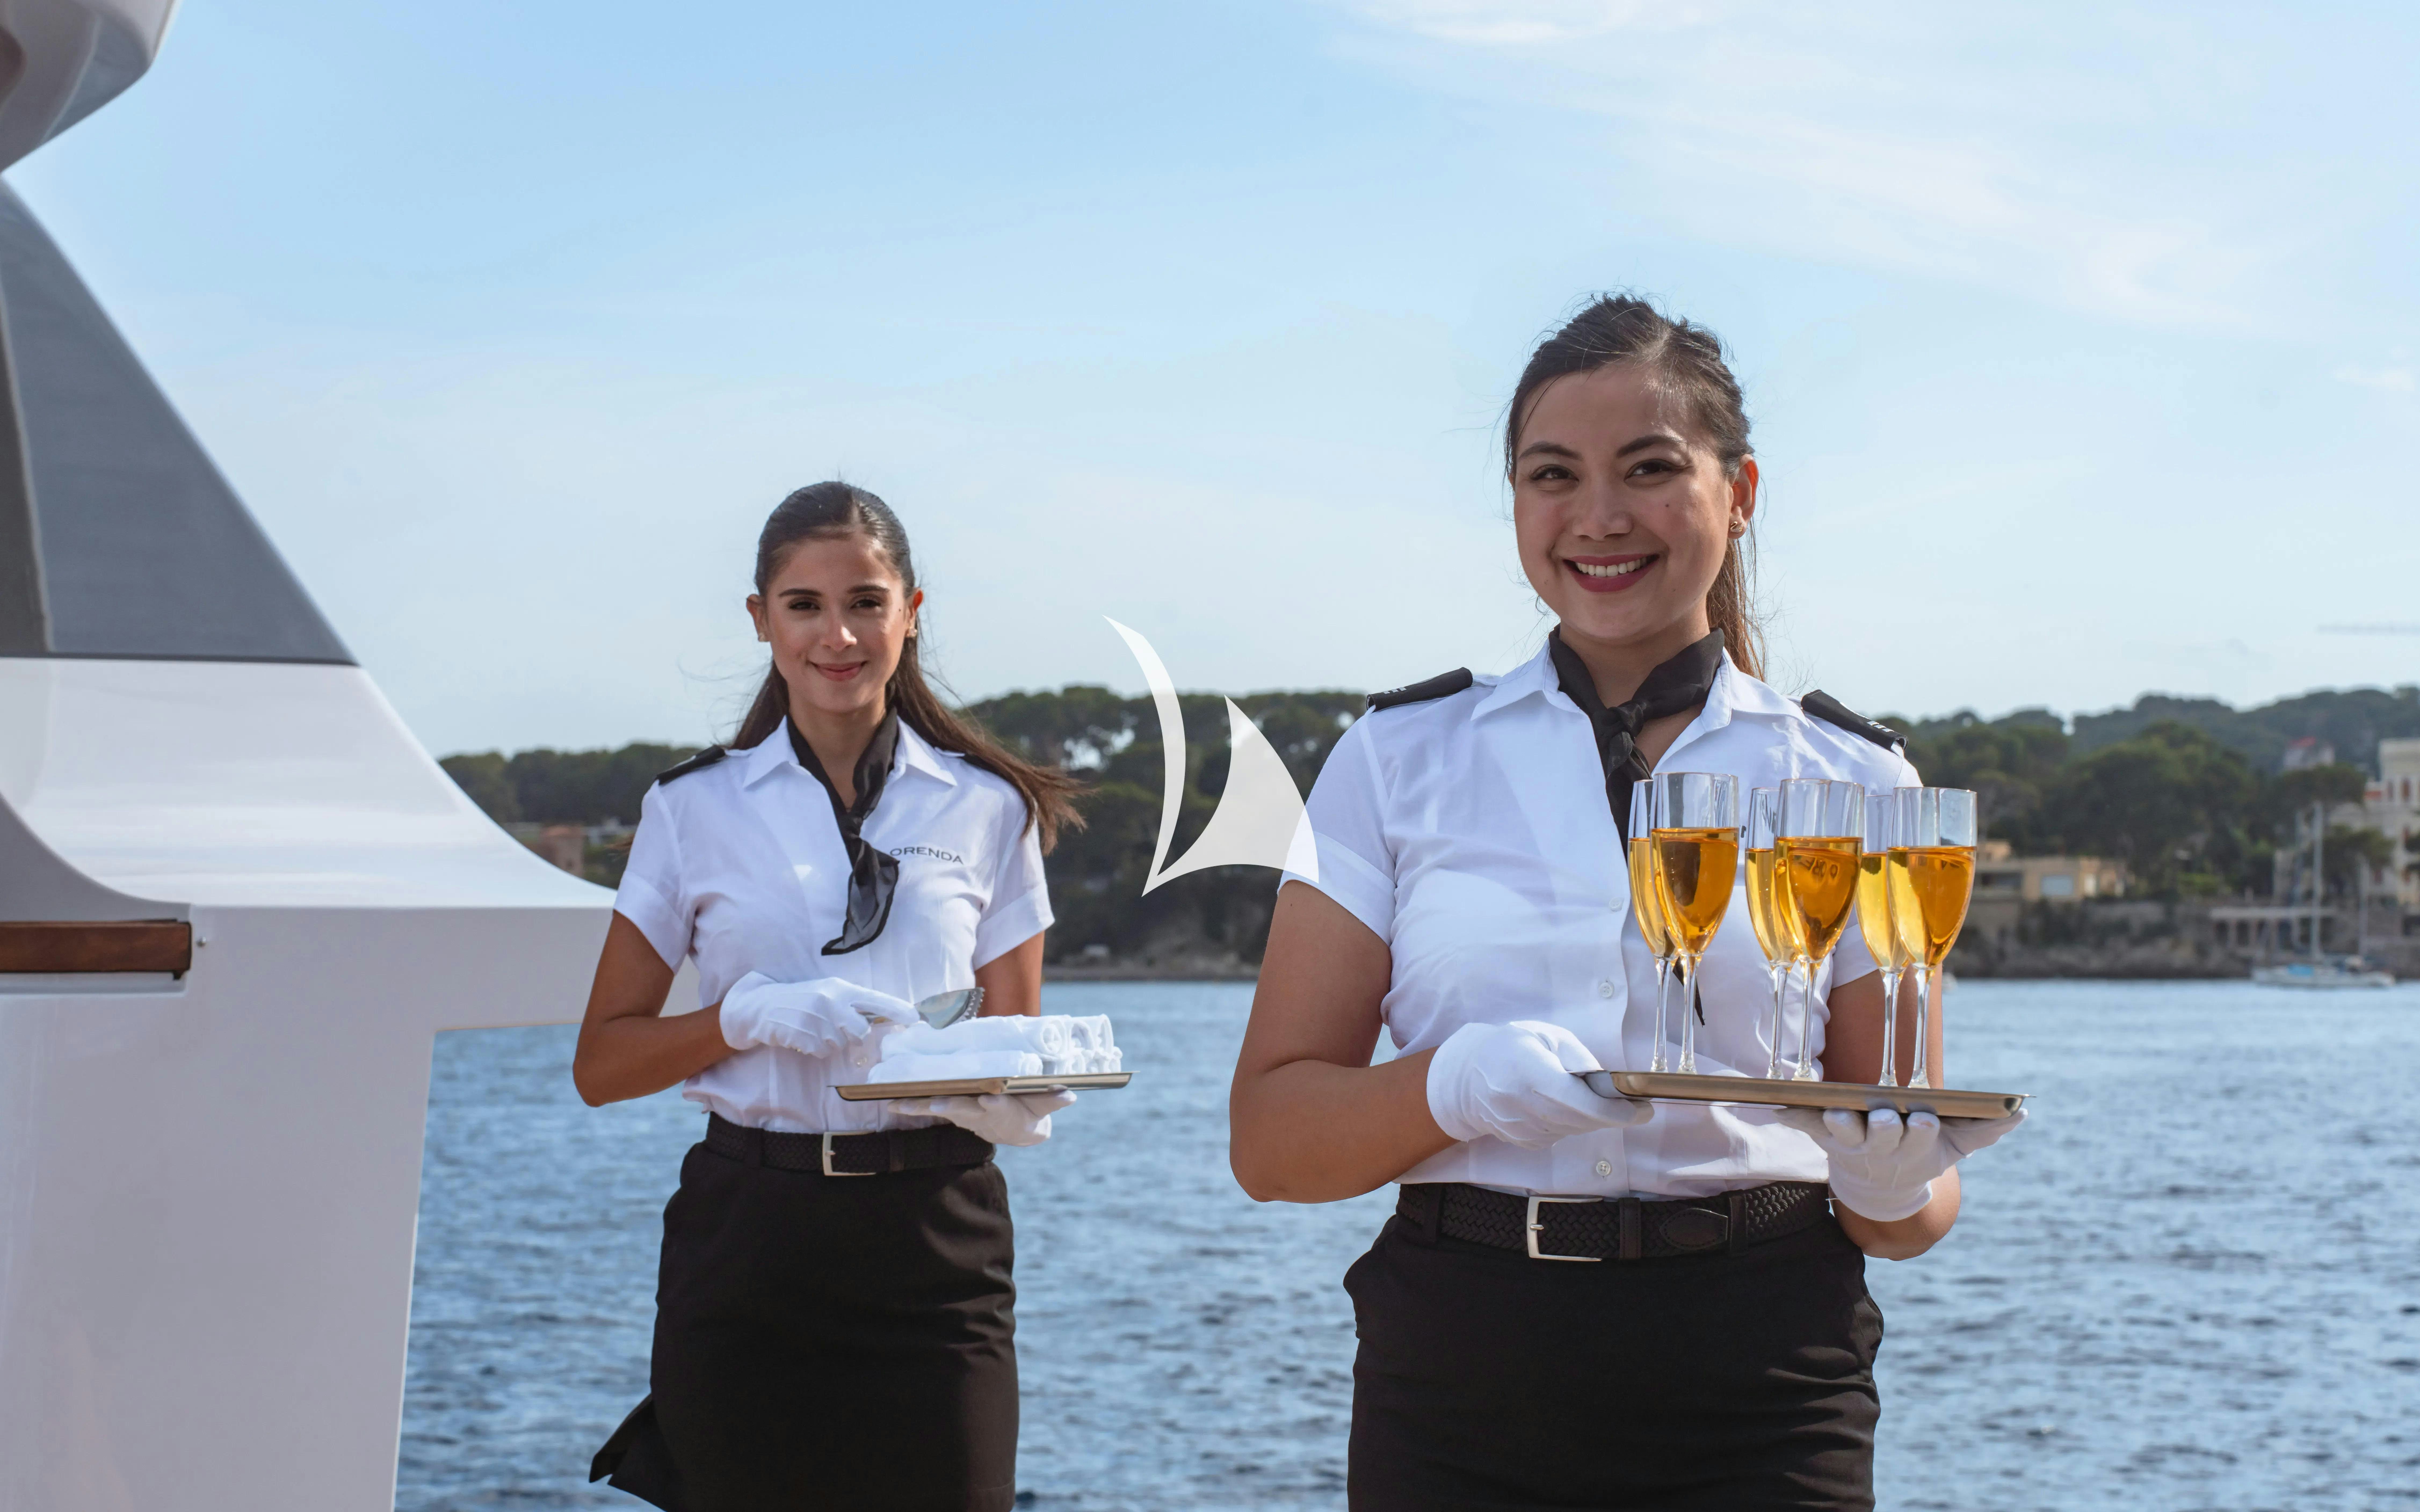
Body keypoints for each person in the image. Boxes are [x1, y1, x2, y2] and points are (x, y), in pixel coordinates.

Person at [1228, 296, 2025, 1511]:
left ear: (1740, 490)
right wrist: (1445, 1083)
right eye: (1555, 475)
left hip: (1766, 1370)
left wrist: (1891, 1185)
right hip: (1463, 1370)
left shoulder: (1855, 781)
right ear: (1514, 503)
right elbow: (1272, 1141)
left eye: (1650, 470)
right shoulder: (1398, 758)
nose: (1600, 516)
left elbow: (1911, 1179)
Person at [574, 482, 1082, 1512]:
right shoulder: (689, 810)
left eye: (866, 601)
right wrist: (738, 1017)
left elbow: (1013, 1036)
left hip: (937, 1239)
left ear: (911, 612)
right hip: (748, 1245)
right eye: (803, 605)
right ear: (761, 621)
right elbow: (601, 1065)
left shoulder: (992, 810)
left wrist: (1014, 1094)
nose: (837, 634)